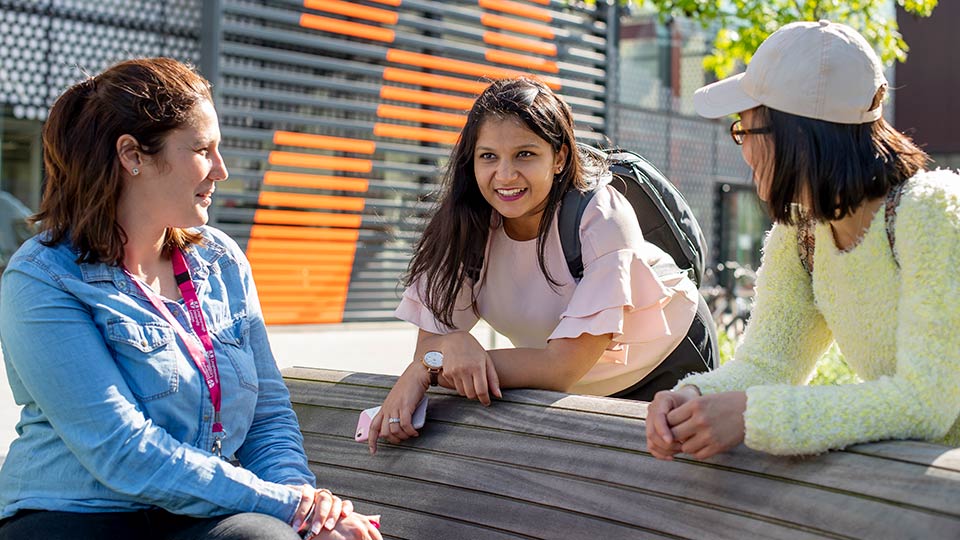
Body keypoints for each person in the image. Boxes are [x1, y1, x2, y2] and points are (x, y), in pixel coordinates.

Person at [0, 58, 381, 540]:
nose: (221, 170)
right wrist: (289, 505)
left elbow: (268, 417)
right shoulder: (42, 277)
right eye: (203, 149)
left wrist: (311, 515)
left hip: (199, 513)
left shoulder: (222, 262)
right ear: (132, 155)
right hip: (75, 516)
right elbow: (122, 451)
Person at [646, 20, 960, 460]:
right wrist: (691, 395)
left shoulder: (932, 211)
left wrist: (755, 415)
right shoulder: (801, 234)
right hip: (905, 483)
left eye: (745, 129)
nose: (743, 150)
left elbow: (927, 403)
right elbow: (769, 364)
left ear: (795, 134)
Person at [369, 77, 717, 452]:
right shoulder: (465, 225)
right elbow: (433, 342)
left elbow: (560, 368)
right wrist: (448, 347)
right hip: (561, 385)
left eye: (525, 154)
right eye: (489, 156)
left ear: (560, 158)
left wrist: (429, 369)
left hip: (663, 364)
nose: (504, 175)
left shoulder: (600, 214)